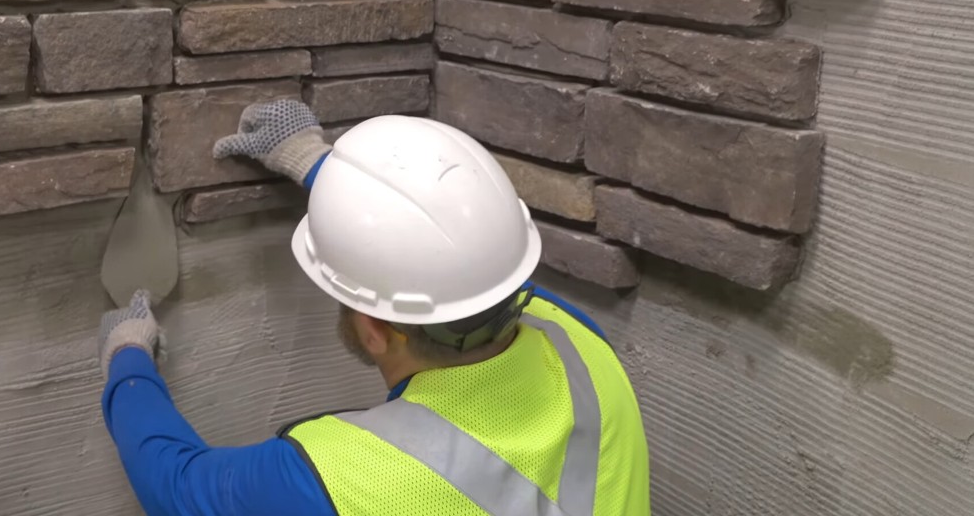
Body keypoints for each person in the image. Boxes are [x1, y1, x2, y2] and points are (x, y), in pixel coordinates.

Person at [98, 100, 651, 515]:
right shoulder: (581, 344)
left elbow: (179, 485)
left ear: (372, 330)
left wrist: (126, 357)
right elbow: (461, 262)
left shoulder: (343, 477)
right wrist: (319, 167)